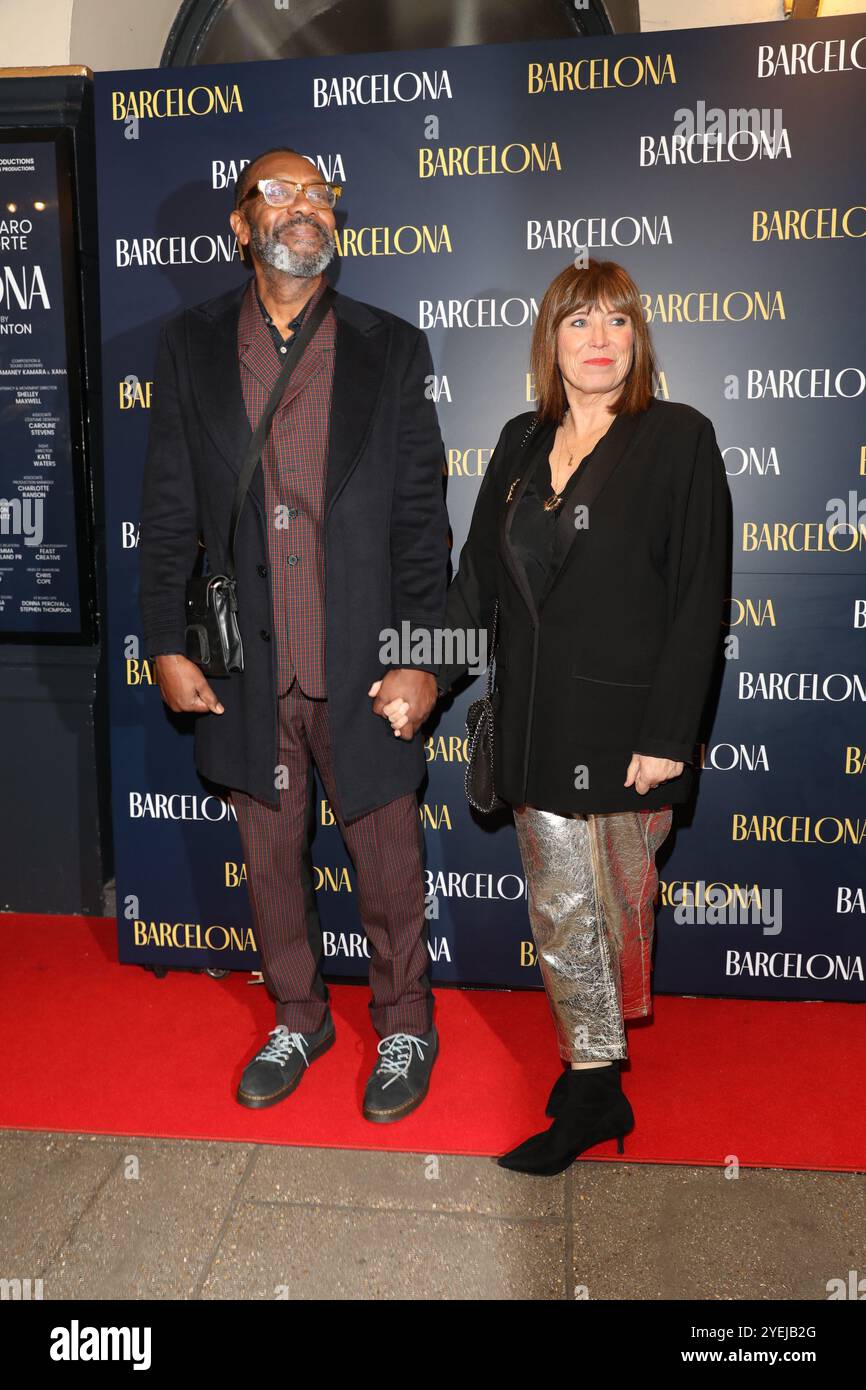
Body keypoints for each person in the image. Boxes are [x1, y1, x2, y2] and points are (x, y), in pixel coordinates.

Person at [381, 258, 731, 1171]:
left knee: (610, 912)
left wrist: (667, 737)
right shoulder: (517, 439)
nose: (600, 341)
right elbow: (477, 592)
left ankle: (593, 1071)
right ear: (551, 340)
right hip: (536, 726)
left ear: (639, 338)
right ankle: (593, 1085)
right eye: (579, 323)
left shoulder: (679, 438)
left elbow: (700, 599)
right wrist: (426, 670)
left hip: (626, 740)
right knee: (560, 907)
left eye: (618, 322)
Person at [139, 146, 449, 1123]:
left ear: (335, 223)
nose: (302, 206)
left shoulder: (388, 348)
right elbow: (167, 509)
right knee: (270, 863)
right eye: (278, 192)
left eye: (318, 193)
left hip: (361, 662)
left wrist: (423, 659)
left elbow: (419, 523)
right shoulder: (188, 348)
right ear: (241, 226)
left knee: (388, 861)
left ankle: (403, 1023)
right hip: (246, 663)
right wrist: (165, 640)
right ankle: (299, 1013)